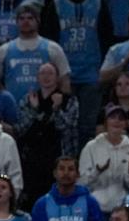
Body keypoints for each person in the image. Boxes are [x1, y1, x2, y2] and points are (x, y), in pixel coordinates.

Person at [42, 0, 113, 142]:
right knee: (65, 126)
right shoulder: (56, 4)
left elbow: (107, 38)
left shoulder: (98, 2)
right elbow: (50, 42)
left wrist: (102, 70)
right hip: (66, 76)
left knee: (88, 126)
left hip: (91, 74)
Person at [15, 63, 80, 208]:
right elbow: (21, 129)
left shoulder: (69, 100)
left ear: (57, 78)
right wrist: (35, 110)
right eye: (43, 73)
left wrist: (56, 109)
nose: (46, 77)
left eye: (50, 73)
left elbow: (68, 127)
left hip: (58, 158)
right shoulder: (28, 99)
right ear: (37, 77)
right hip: (32, 161)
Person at [0, 2, 71, 104]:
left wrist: (63, 104)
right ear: (16, 22)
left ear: (38, 21)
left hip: (45, 109)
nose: (26, 21)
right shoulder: (4, 50)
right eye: (22, 18)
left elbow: (65, 80)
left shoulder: (53, 48)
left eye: (30, 18)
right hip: (13, 109)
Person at [79, 104, 129, 214]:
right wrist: (97, 172)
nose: (117, 121)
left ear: (125, 123)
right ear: (105, 122)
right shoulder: (91, 147)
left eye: (121, 118)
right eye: (113, 117)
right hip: (95, 209)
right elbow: (81, 184)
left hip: (123, 210)